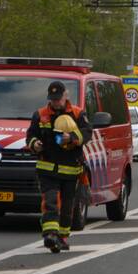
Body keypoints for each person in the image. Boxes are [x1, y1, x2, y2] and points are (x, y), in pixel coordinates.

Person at [26, 80, 91, 253]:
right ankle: (50, 235)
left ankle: (62, 237)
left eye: (58, 98)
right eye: (52, 99)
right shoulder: (40, 115)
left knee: (68, 207)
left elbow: (87, 132)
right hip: (47, 169)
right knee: (51, 201)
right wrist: (35, 144)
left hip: (71, 170)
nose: (55, 102)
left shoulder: (77, 113)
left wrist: (72, 137)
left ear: (65, 96)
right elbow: (30, 135)